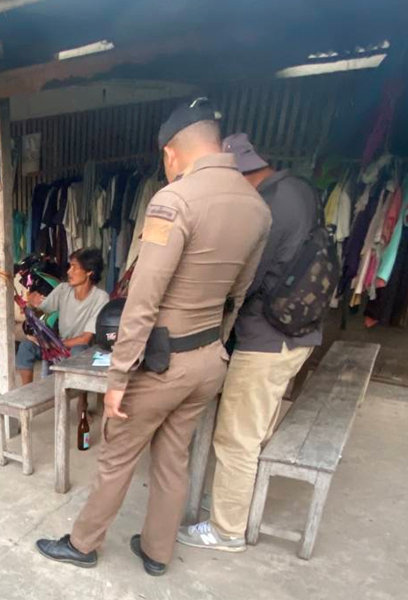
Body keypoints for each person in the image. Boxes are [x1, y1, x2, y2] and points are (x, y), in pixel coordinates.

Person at [35, 98, 272, 576]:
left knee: (116, 458)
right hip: (208, 361)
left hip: (162, 365)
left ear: (170, 152)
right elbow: (238, 294)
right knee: (172, 459)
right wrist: (215, 345)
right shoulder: (257, 206)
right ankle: (158, 551)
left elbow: (143, 299)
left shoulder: (174, 200)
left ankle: (82, 544)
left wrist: (119, 376)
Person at [178, 133, 322, 552]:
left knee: (235, 437)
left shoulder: (269, 206)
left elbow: (246, 280)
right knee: (254, 430)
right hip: (296, 333)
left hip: (266, 339)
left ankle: (227, 530)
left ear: (240, 173)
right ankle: (235, 502)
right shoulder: (300, 189)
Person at [17, 248, 109, 385]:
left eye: (74, 267)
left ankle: (79, 395)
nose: (68, 272)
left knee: (79, 351)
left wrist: (53, 344)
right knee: (26, 347)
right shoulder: (63, 289)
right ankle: (26, 391)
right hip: (59, 344)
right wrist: (31, 306)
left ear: (89, 271)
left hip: (82, 348)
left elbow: (85, 339)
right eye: (69, 266)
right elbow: (41, 311)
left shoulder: (101, 298)